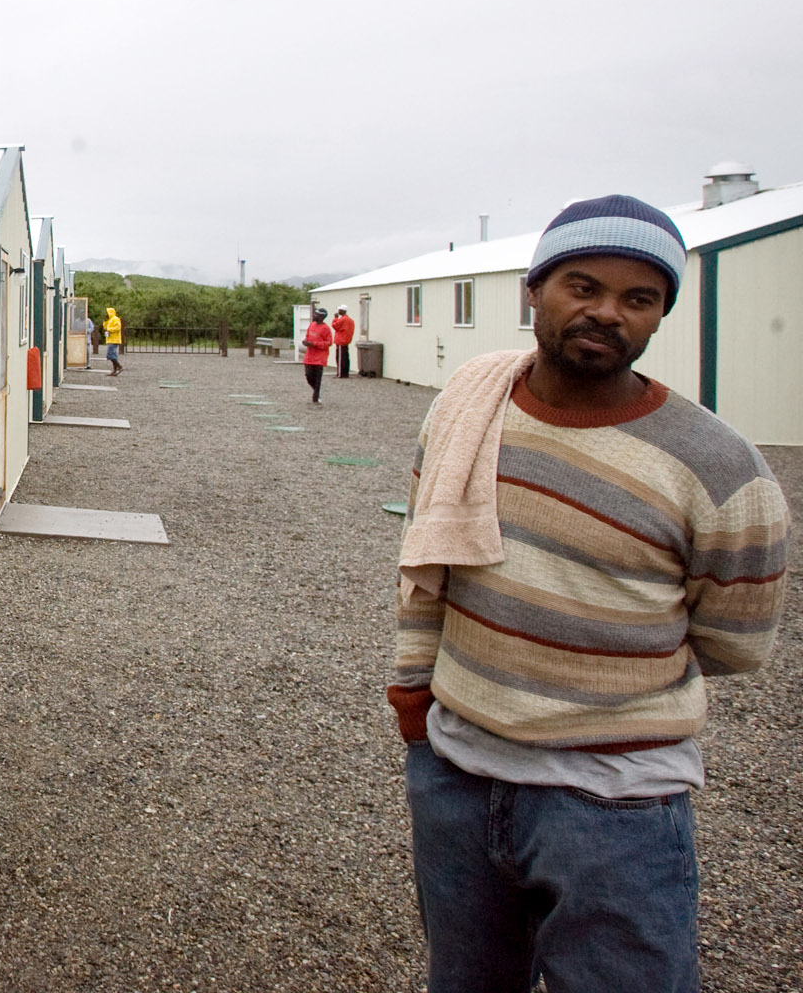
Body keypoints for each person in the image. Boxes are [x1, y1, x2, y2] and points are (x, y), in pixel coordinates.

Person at [390, 195, 789, 993]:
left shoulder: (720, 470)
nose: (607, 312)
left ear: (660, 315)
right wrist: (416, 703)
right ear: (534, 291)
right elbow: (425, 552)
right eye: (583, 285)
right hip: (459, 770)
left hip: (615, 806)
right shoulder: (470, 411)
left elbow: (735, 642)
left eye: (639, 299)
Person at [299, 305, 332, 404]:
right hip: (309, 356)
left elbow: (329, 343)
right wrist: (305, 341)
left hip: (319, 357)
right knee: (309, 376)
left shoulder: (326, 328)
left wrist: (315, 344)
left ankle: (316, 396)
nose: (314, 315)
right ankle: (316, 392)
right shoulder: (312, 325)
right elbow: (308, 336)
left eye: (316, 314)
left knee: (317, 378)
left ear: (322, 317)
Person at [331, 304, 356, 378]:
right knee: (345, 357)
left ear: (342, 311)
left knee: (340, 358)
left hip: (341, 341)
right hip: (346, 341)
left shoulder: (342, 319)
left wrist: (335, 318)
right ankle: (345, 373)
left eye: (339, 310)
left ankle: (340, 373)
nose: (338, 311)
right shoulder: (350, 320)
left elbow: (335, 326)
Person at [103, 304, 124, 377]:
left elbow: (118, 327)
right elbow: (105, 327)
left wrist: (110, 330)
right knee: (113, 355)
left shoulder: (115, 319)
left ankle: (119, 367)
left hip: (114, 339)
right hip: (110, 339)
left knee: (110, 355)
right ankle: (115, 370)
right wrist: (105, 321)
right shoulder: (109, 320)